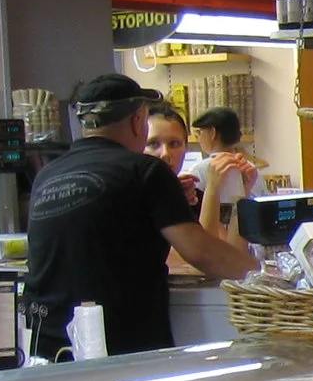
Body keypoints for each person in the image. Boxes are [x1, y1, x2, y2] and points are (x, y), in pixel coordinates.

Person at [23, 75, 257, 359]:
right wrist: (265, 276)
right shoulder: (145, 171)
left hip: (46, 344)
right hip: (121, 348)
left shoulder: (47, 175)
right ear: (137, 121)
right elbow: (203, 253)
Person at [190, 106, 267, 238]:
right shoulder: (252, 171)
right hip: (249, 239)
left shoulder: (201, 169)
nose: (198, 138)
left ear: (212, 132)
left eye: (200, 132)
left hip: (213, 241)